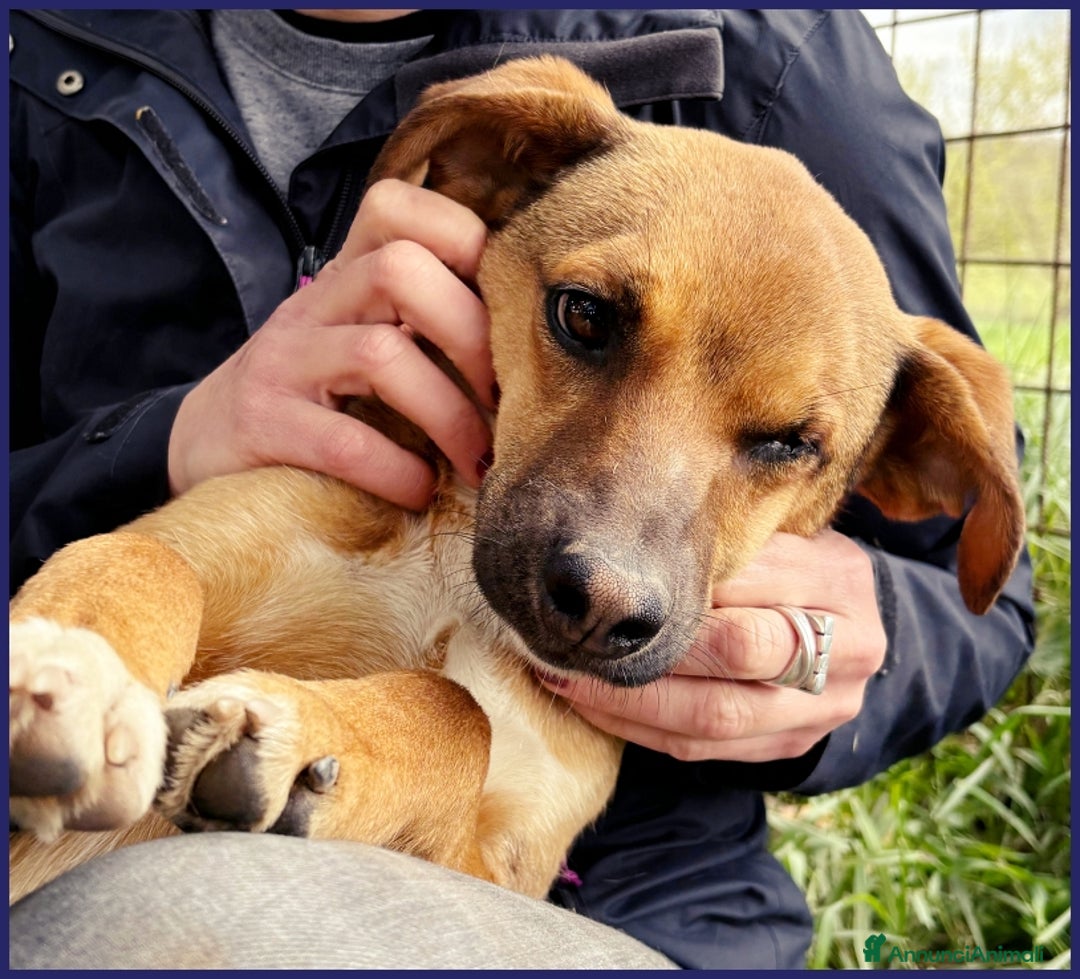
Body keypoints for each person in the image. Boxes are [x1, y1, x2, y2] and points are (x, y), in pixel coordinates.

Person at [8, 8, 1034, 970]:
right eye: (589, 322)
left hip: (645, 906)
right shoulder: (36, 44)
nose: (612, 575)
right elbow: (159, 567)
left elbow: (977, 598)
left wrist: (865, 636)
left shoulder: (787, 49)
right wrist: (150, 446)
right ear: (457, 175)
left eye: (776, 442)